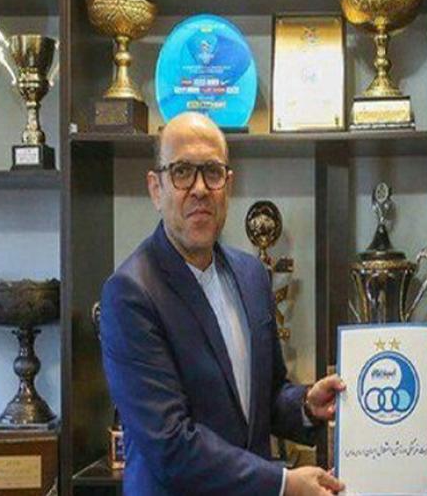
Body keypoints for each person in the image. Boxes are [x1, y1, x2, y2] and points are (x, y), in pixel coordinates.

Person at [100, 112, 345, 496]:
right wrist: (283, 484)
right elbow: (170, 445)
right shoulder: (130, 294)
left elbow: (266, 397)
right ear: (155, 188)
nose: (200, 188)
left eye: (212, 172)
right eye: (182, 172)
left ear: (228, 185)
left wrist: (305, 406)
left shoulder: (251, 275)